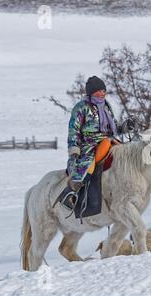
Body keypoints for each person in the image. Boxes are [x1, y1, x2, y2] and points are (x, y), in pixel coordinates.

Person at [61, 75, 119, 210]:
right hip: (88, 144)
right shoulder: (81, 107)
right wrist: (74, 150)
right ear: (91, 92)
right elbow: (73, 130)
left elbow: (112, 127)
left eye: (104, 90)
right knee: (87, 165)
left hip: (107, 139)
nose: (102, 93)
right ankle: (70, 192)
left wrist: (124, 127)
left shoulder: (106, 106)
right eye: (99, 91)